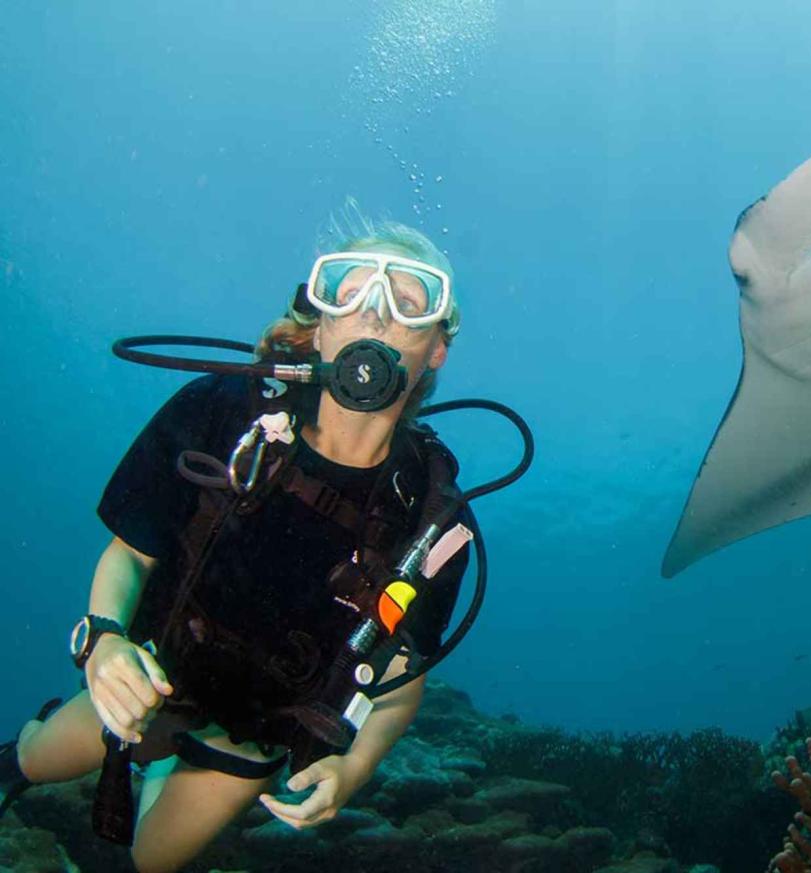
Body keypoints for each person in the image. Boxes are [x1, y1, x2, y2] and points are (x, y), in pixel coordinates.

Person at [0, 210, 472, 873]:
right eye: (351, 290)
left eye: (409, 300)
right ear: (322, 319)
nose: (376, 314)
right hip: (157, 674)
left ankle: (164, 772)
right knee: (38, 757)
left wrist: (355, 766)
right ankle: (25, 752)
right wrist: (105, 643)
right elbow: (130, 554)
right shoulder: (223, 410)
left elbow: (399, 681)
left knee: (151, 861)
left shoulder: (432, 519)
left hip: (257, 735)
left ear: (437, 347)